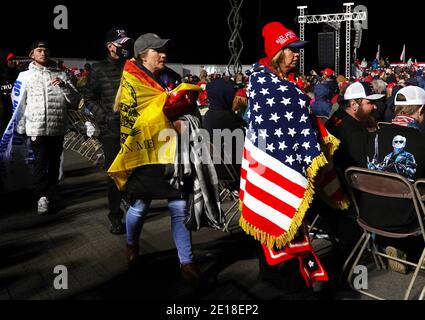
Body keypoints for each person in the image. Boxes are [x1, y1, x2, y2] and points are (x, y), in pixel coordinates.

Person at [240, 22, 343, 291]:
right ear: (277, 52)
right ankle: (282, 278)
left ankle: (283, 276)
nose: (297, 54)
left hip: (279, 159)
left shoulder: (277, 82)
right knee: (276, 207)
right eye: (291, 49)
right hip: (273, 162)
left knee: (288, 217)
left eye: (298, 50)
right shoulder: (267, 85)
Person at [108, 33, 202, 285]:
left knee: (179, 207)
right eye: (157, 50)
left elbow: (188, 105)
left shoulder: (172, 76)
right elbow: (132, 120)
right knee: (140, 206)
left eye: (164, 50)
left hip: (171, 152)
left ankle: (187, 261)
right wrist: (166, 122)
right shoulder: (130, 81)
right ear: (142, 54)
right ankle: (131, 245)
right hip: (142, 152)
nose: (163, 54)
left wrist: (185, 120)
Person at [363, 85, 425, 273]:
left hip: (369, 214)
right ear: (421, 110)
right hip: (406, 219)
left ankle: (394, 245)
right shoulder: (421, 141)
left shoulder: (373, 136)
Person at [15, 40, 80, 214]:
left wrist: (65, 85)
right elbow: (18, 104)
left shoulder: (62, 74)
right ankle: (41, 196)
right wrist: (20, 127)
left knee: (54, 163)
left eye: (45, 50)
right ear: (32, 55)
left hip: (57, 126)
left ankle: (52, 191)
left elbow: (74, 100)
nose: (43, 53)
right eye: (39, 50)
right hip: (36, 127)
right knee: (39, 162)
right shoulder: (24, 76)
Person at [84, 28, 133, 234]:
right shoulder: (98, 69)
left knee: (134, 171)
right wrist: (104, 118)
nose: (125, 48)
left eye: (126, 44)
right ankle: (115, 216)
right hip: (111, 131)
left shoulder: (133, 67)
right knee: (114, 175)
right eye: (121, 44)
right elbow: (89, 98)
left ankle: (132, 208)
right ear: (110, 46)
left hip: (133, 129)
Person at [326, 81, 384, 173]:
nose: (375, 107)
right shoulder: (355, 132)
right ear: (353, 105)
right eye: (370, 102)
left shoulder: (339, 113)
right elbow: (362, 170)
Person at [0, 53, 20, 134]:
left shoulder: (19, 74)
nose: (13, 62)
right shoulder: (1, 74)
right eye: (10, 60)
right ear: (6, 61)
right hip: (3, 105)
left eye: (14, 60)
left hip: (15, 105)